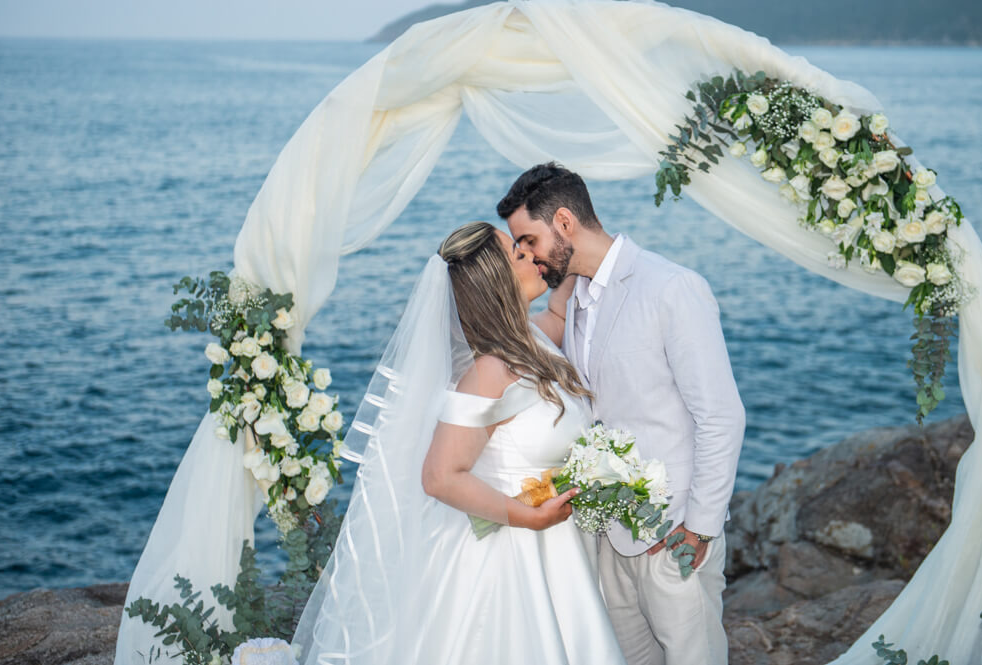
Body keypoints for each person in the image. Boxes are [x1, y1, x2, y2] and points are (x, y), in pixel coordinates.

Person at [291, 221, 627, 665]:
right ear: (495, 283)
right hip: (505, 561)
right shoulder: (490, 371)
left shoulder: (534, 339)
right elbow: (439, 475)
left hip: (555, 551)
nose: (530, 255)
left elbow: (563, 312)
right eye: (518, 254)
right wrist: (527, 518)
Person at [498, 163, 746, 665]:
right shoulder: (578, 298)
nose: (527, 256)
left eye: (528, 240)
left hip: (672, 534)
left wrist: (698, 528)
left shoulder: (671, 288)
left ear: (564, 223)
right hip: (606, 532)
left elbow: (721, 417)